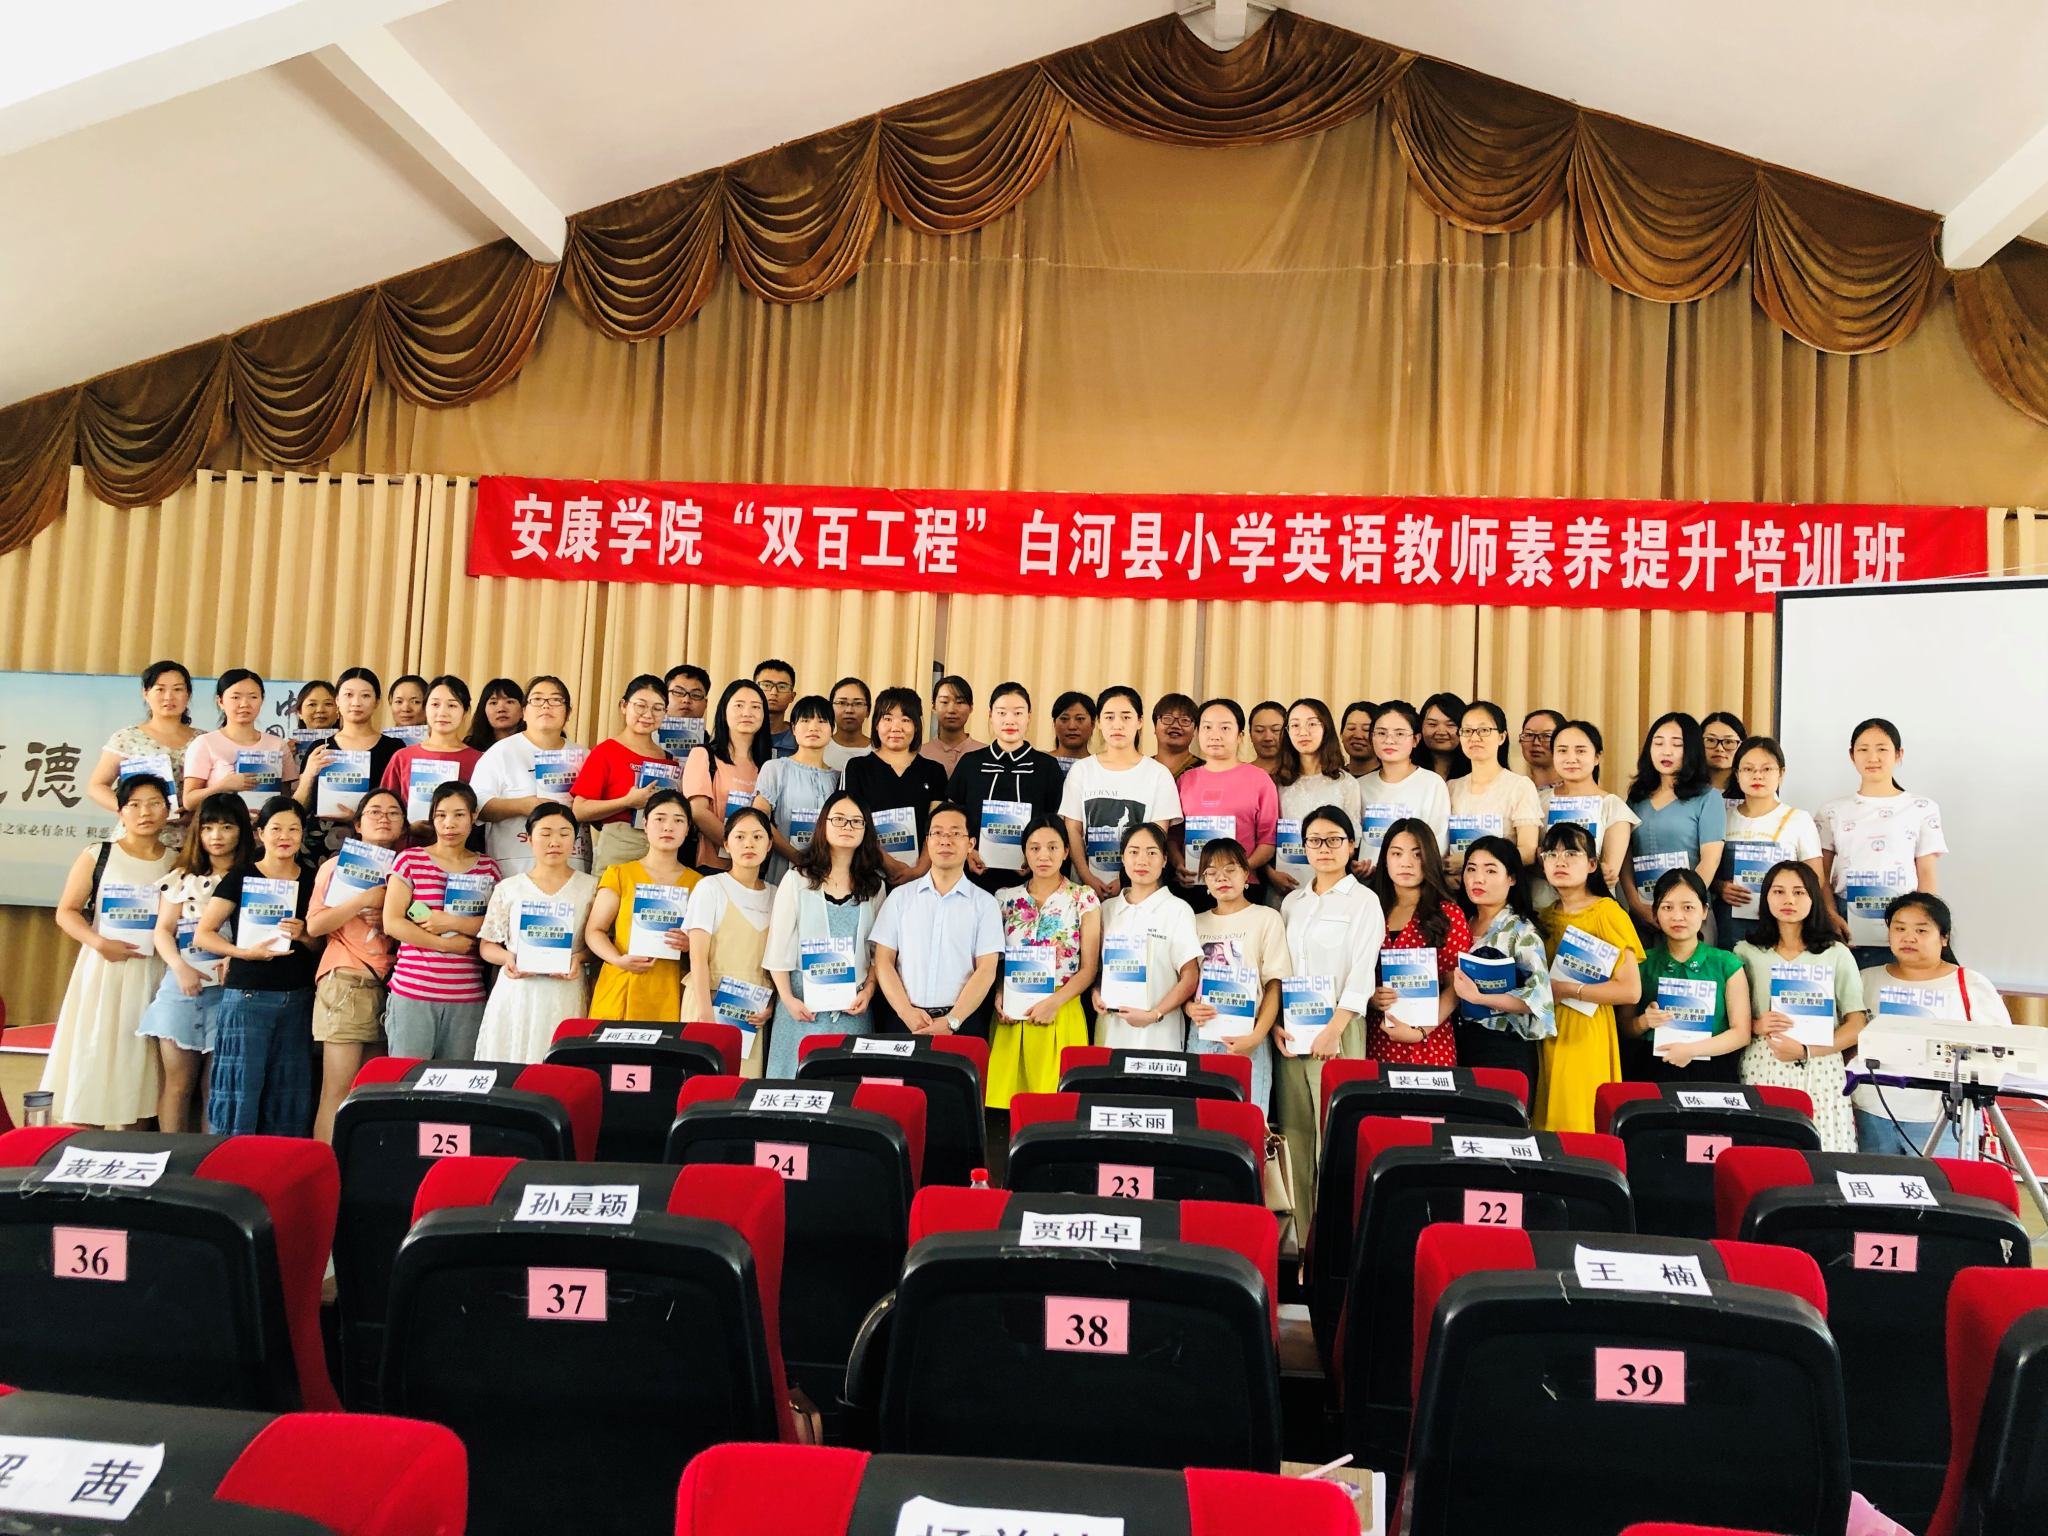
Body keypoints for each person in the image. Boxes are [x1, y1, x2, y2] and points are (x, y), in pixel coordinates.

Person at [43, 772, 176, 1126]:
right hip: (105, 969)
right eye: (134, 804)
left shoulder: (177, 862)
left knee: (143, 1059)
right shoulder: (99, 854)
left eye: (154, 803)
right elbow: (66, 911)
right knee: (96, 1050)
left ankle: (135, 1140)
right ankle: (87, 1137)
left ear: (168, 810)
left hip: (154, 971)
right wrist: (100, 943)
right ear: (120, 812)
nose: (144, 812)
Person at [1276, 806, 1384, 1236]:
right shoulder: (1292, 903)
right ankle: (1301, 1244)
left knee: (1334, 1141)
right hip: (1291, 1031)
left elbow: (1362, 973)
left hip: (1339, 1029)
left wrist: (1334, 1030)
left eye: (1334, 839)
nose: (1324, 848)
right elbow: (1280, 969)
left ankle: (1335, 1247)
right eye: (1314, 840)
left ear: (1351, 845)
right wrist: (1277, 1023)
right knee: (1295, 1138)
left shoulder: (1364, 901)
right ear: (1303, 847)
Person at [196, 795, 320, 1136]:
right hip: (248, 995)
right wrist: (242, 953)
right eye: (276, 828)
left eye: (294, 829)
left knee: (288, 1093)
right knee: (238, 1090)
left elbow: (321, 946)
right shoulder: (241, 876)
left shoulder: (312, 880)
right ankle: (229, 1161)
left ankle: (276, 1163)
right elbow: (204, 934)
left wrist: (305, 935)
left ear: (302, 834)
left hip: (298, 998)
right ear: (261, 833)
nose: (285, 836)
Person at [1854, 893, 2012, 1155]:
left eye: (1921, 930)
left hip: (1943, 1118)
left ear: (1944, 937)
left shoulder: (1969, 984)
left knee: (1942, 1182)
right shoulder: (1865, 979)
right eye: (1899, 928)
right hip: (1872, 1113)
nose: (1908, 937)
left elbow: (2001, 1050)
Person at [138, 793, 253, 1130]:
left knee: (215, 1088)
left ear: (242, 831)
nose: (216, 836)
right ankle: (171, 1154)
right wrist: (180, 969)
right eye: (207, 828)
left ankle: (207, 1155)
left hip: (230, 992)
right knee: (177, 1085)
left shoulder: (254, 878)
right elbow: (163, 931)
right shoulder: (182, 877)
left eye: (226, 827)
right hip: (182, 990)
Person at [1734, 860, 1866, 1151]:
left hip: (1822, 1064)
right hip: (1765, 1060)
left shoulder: (1836, 953)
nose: (1789, 900)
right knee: (1766, 1151)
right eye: (1778, 891)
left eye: (1799, 892)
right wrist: (1755, 1025)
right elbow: (1731, 1019)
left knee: (1824, 1150)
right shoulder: (1745, 952)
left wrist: (1807, 1050)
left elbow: (1857, 1025)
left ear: (1813, 898)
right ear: (1765, 897)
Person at [305, 786, 407, 1140]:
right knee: (337, 1091)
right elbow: (315, 925)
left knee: (371, 1093)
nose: (384, 818)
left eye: (393, 812)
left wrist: (392, 915)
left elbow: (422, 922)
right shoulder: (336, 866)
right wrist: (362, 900)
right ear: (358, 824)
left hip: (392, 987)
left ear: (403, 825)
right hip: (346, 980)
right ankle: (324, 1166)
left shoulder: (407, 868)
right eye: (374, 811)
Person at [763, 790, 887, 1075]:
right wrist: (788, 999)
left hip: (853, 1008)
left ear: (866, 830)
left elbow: (877, 952)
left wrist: (869, 991)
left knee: (845, 1089)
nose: (847, 827)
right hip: (801, 1008)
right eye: (839, 819)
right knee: (795, 1087)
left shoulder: (875, 887)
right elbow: (778, 946)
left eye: (856, 821)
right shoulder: (797, 879)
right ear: (824, 824)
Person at [1534, 821, 1644, 1133]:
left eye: (1572, 854)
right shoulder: (1544, 917)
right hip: (1547, 1029)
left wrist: (1569, 989)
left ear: (1592, 864)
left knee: (1578, 1126)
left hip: (1586, 1029)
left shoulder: (1607, 912)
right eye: (1551, 855)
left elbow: (1630, 991)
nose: (1561, 862)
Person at [987, 816, 1101, 1108]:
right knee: (1008, 1109)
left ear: (1066, 852)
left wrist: (1053, 1003)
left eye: (1052, 847)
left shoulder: (1083, 898)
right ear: (1025, 852)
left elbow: (1089, 969)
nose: (1043, 855)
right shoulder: (1004, 899)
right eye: (1035, 848)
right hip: (1013, 1013)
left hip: (1062, 1008)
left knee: (1059, 1108)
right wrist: (1000, 993)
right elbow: (997, 961)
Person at [381, 781, 499, 1060]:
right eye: (441, 815)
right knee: (406, 1079)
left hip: (468, 995)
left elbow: (495, 926)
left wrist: (451, 922)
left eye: (459, 814)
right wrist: (445, 944)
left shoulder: (488, 868)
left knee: (456, 1080)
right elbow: (392, 922)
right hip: (413, 990)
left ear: (474, 816)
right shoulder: (410, 860)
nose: (449, 824)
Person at [1815, 717, 1944, 966]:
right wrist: (1829, 915)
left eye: (1882, 749)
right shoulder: (1831, 810)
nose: (1872, 757)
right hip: (1845, 920)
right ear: (1852, 755)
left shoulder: (1922, 807)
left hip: (1903, 920)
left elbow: (1926, 873)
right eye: (1863, 749)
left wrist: (1919, 925)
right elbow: (1819, 872)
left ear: (1898, 754)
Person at [870, 803, 1003, 1041]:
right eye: (938, 833)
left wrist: (953, 1020)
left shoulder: (985, 904)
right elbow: (883, 961)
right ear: (928, 841)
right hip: (904, 1021)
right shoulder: (899, 898)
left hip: (963, 1023)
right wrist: (906, 1012)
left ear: (971, 844)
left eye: (955, 833)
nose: (945, 840)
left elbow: (986, 970)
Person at [476, 803, 597, 1062]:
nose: (555, 841)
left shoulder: (591, 887)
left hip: (564, 991)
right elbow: (487, 946)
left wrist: (579, 958)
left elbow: (599, 944)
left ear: (575, 840)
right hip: (517, 992)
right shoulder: (509, 887)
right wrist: (508, 958)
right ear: (529, 839)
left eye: (564, 833)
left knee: (557, 1065)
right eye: (545, 833)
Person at [1620, 869, 1752, 1085]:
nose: (1677, 916)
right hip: (1651, 1068)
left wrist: (1692, 1050)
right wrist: (1644, 1022)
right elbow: (1624, 1029)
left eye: (1688, 907)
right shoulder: (1641, 963)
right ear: (1655, 913)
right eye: (1667, 907)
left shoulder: (1726, 964)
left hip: (1712, 1069)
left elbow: (1741, 1033)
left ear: (1704, 911)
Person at [1185, 838, 1287, 1113]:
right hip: (1202, 1035)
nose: (1222, 878)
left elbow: (1274, 985)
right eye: (1212, 872)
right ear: (1205, 880)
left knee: (1246, 1120)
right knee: (1202, 1119)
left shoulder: (1267, 918)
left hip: (1250, 1034)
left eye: (1230, 869)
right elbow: (1186, 983)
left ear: (1246, 873)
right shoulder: (1194, 922)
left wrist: (1256, 1036)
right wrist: (1190, 1008)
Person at [585, 788, 700, 1022]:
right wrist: (617, 960)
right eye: (660, 819)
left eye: (678, 820)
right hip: (623, 984)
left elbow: (710, 944)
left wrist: (692, 944)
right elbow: (595, 931)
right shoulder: (620, 874)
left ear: (688, 829)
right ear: (645, 824)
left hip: (671, 988)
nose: (668, 827)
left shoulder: (700, 884)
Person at [1452, 835, 1554, 1097]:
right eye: (1471, 869)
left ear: (1512, 878)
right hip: (1458, 1042)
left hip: (1504, 1048)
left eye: (1490, 871)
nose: (1478, 879)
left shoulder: (1521, 931)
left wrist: (1479, 997)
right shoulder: (1456, 921)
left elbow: (1538, 998)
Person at [1060, 686, 1183, 902]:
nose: (1117, 724)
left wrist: (1124, 879)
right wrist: (1087, 877)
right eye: (1109, 717)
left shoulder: (1158, 774)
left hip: (1140, 890)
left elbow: (1157, 836)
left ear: (1140, 721)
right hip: (1086, 890)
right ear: (1099, 722)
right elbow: (1073, 829)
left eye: (1126, 717)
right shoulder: (1082, 770)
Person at [1362, 820, 1468, 1065]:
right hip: (1376, 1036)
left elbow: (1455, 986)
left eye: (1417, 854)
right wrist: (1369, 996)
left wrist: (1420, 1031)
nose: (1406, 863)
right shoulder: (1369, 909)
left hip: (1430, 1040)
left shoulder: (1448, 914)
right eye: (1396, 853)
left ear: (1430, 859)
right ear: (1385, 859)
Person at [948, 682, 1067, 894]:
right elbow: (952, 815)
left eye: (1018, 713)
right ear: (990, 716)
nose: (1009, 720)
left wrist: (1037, 855)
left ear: (1029, 716)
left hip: (1032, 879)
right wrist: (967, 851)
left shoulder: (1046, 766)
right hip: (974, 875)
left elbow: (1056, 821)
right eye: (1002, 713)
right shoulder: (971, 763)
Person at [1093, 822, 1202, 1051]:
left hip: (1159, 1034)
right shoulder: (1106, 910)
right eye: (1133, 852)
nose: (1142, 861)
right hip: (1111, 1031)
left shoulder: (1178, 910)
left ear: (1164, 860)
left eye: (1152, 853)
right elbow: (1097, 969)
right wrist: (1096, 992)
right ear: (1123, 858)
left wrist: (1155, 1014)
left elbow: (1189, 975)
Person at [684, 806, 777, 1067]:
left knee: (744, 1085)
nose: (749, 844)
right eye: (739, 836)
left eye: (757, 837)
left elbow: (778, 963)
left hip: (753, 1013)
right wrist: (706, 1015)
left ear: (769, 844)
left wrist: (770, 1007)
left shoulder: (778, 895)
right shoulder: (710, 887)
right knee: (705, 1082)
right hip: (709, 1003)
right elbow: (697, 958)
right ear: (726, 843)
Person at [1623, 712, 1726, 936]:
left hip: (1689, 917)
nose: (1666, 751)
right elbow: (1626, 857)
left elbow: (1710, 859)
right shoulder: (1636, 798)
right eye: (1658, 743)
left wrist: (1680, 907)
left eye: (1677, 744)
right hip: (1644, 913)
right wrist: (1635, 904)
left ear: (1691, 750)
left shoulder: (1708, 798)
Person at [472, 675, 584, 877]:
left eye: (556, 700)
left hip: (572, 865)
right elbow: (477, 806)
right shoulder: (501, 752)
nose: (546, 706)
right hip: (514, 866)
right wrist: (523, 805)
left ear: (568, 713)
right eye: (537, 699)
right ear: (524, 712)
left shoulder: (585, 756)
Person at [1715, 736, 1822, 941]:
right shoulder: (1722, 818)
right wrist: (1720, 887)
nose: (1757, 776)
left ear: (1781, 773)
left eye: (1766, 769)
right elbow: (1706, 869)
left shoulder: (1798, 819)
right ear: (1737, 774)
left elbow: (1815, 879)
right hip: (1729, 923)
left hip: (1783, 926)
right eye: (1748, 769)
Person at [1177, 699, 1279, 903]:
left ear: (1240, 735)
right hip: (1194, 884)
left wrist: (1242, 869)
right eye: (1207, 727)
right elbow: (1174, 835)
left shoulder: (1259, 779)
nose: (1215, 735)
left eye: (1225, 728)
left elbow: (1268, 840)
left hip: (1243, 887)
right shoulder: (1185, 780)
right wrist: (1178, 863)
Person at [844, 687, 948, 887]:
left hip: (922, 878)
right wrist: (889, 865)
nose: (896, 727)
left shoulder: (934, 771)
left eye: (906, 720)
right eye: (888, 718)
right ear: (876, 724)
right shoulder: (857, 768)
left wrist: (919, 870)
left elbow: (938, 826)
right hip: (868, 877)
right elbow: (855, 822)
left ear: (916, 725)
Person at [573, 673, 674, 876]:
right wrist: (627, 802)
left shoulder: (668, 759)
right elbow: (579, 810)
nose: (648, 714)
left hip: (661, 848)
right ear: (624, 706)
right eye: (640, 705)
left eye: (657, 708)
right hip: (620, 842)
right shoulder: (606, 752)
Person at [88, 662, 199, 837]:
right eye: (160, 689)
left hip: (187, 839)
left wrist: (196, 813)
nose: (169, 697)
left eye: (177, 689)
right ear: (146, 694)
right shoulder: (127, 738)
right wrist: (131, 809)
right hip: (134, 838)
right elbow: (96, 786)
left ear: (188, 695)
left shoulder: (204, 740)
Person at [298, 667, 403, 852]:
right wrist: (308, 774)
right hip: (318, 844)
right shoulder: (320, 747)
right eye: (348, 695)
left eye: (365, 696)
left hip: (374, 844)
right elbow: (300, 808)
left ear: (377, 702)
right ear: (337, 701)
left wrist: (359, 817)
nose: (356, 702)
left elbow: (400, 804)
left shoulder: (393, 748)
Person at [679, 679, 771, 875]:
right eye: (739, 705)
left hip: (755, 870)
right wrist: (738, 847)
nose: (747, 713)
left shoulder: (769, 766)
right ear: (724, 711)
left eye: (756, 707)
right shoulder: (704, 756)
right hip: (711, 867)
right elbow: (698, 812)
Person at [1540, 721, 1640, 897]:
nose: (1571, 758)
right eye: (1562, 750)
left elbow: (1608, 874)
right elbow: (1529, 860)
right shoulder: (1538, 801)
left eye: (1580, 751)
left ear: (1596, 758)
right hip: (1542, 901)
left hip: (1592, 903)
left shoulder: (1613, 807)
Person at [182, 669, 301, 817]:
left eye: (253, 697)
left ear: (262, 700)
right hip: (221, 828)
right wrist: (223, 786)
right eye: (235, 697)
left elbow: (285, 799)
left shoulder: (277, 745)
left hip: (264, 829)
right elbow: (189, 801)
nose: (244, 704)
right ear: (220, 701)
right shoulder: (205, 743)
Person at [1445, 700, 1542, 873]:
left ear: (1501, 737)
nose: (1475, 738)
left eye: (1484, 730)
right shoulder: (1450, 788)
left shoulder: (1519, 786)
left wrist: (1470, 860)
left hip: (1501, 884)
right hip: (1455, 885)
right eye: (1467, 731)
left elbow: (1528, 853)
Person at [753, 694, 840, 883]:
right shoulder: (775, 768)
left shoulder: (840, 778)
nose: (813, 727)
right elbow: (759, 817)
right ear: (794, 728)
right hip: (784, 870)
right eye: (805, 720)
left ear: (832, 730)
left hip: (828, 874)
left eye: (822, 721)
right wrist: (796, 857)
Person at [380, 675, 482, 833]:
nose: (442, 712)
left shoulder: (480, 760)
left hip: (460, 845)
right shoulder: (402, 757)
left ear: (465, 712)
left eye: (452, 705)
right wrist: (408, 828)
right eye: (435, 704)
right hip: (409, 844)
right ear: (425, 709)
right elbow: (385, 806)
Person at [1357, 701, 1449, 872]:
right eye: (1381, 733)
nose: (1389, 740)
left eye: (1399, 734)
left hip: (1413, 878)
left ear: (1415, 740)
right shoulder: (1360, 786)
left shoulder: (1431, 784)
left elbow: (1438, 843)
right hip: (1368, 882)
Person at [920, 675, 983, 777]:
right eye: (944, 702)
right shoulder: (921, 754)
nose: (951, 710)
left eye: (960, 702)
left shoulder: (985, 754)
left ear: (971, 707)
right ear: (934, 706)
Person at [824, 676, 874, 771]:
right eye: (841, 703)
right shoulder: (820, 749)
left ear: (868, 711)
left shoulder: (879, 751)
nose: (849, 710)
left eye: (858, 703)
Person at [464, 677, 526, 752]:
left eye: (509, 702)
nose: (501, 709)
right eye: (493, 703)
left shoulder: (532, 746)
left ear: (523, 710)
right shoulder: (470, 747)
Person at [1418, 692, 1470, 781]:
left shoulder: (1475, 770)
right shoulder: (1408, 770)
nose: (1441, 732)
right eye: (1432, 724)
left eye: (1450, 725)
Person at [1151, 693, 1200, 780]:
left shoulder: (1206, 772)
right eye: (1167, 718)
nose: (1175, 726)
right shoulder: (1140, 769)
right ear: (1155, 726)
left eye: (1185, 720)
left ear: (1194, 730)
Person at [1702, 711, 1746, 801]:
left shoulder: (1751, 789)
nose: (1719, 748)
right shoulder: (1683, 788)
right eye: (1711, 740)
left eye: (1729, 742)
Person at [1049, 691, 1097, 771]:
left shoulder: (1099, 768)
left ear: (1092, 724)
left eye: (1080, 719)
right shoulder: (1038, 763)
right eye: (1064, 719)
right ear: (1055, 724)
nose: (1072, 726)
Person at [1519, 708, 1566, 789]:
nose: (1536, 743)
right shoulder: (1516, 789)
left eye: (1546, 736)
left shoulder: (1577, 792)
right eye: (1529, 735)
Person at [1248, 702, 1287, 779]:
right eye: (1259, 730)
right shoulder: (1239, 775)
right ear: (1250, 734)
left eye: (1276, 730)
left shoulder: (1301, 774)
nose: (1267, 738)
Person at [1339, 702, 1378, 778]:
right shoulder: (1333, 778)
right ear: (1341, 734)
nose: (1358, 735)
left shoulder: (1389, 779)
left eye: (1366, 729)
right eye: (1351, 728)